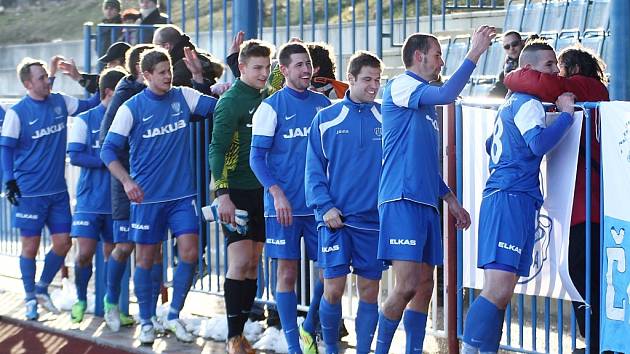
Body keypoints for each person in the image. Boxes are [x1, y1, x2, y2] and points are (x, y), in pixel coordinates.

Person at [374, 26, 495, 353]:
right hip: (401, 198)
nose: (441, 61)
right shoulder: (401, 84)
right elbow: (447, 95)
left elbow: (427, 164)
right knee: (407, 285)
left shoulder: (424, 105)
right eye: (438, 54)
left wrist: (451, 200)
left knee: (425, 286)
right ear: (419, 56)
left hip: (425, 200)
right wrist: (475, 52)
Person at [461, 39, 577, 354]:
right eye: (549, 65)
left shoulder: (514, 101)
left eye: (556, 65)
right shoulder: (527, 103)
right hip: (509, 197)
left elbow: (490, 143)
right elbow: (537, 145)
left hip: (514, 196)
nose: (555, 71)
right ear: (529, 69)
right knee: (496, 290)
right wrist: (566, 115)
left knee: (503, 291)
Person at [101, 47, 217, 344]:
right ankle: (146, 319)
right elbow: (107, 150)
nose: (167, 76)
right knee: (147, 260)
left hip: (182, 195)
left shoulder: (183, 96)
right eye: (161, 72)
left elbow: (218, 108)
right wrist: (126, 181)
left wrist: (208, 80)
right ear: (146, 75)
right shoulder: (132, 107)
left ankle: (174, 314)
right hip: (147, 199)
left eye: (169, 71)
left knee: (190, 253)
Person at [503, 45, 609, 354]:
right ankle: (597, 340)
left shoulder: (582, 88)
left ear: (573, 70)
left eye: (558, 67)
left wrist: (513, 74)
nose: (555, 74)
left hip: (583, 199)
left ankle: (596, 342)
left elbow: (540, 85)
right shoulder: (593, 90)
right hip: (586, 197)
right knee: (585, 271)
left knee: (579, 270)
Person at [0, 57, 99, 320]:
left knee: (64, 243)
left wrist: (87, 78)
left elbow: (92, 103)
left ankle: (42, 287)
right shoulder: (17, 112)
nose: (47, 81)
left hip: (57, 192)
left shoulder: (60, 101)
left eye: (47, 75)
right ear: (27, 83)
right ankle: (30, 298)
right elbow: (6, 147)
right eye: (42, 78)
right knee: (30, 248)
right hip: (29, 193)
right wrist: (9, 179)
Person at [249, 42, 331, 354]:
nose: (306, 69)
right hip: (282, 207)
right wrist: (277, 193)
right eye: (298, 65)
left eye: (308, 64)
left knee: (330, 271)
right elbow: (256, 158)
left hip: (317, 206)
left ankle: (308, 328)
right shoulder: (271, 107)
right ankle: (294, 345)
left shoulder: (323, 105)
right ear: (283, 71)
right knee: (286, 274)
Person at [305, 50, 385, 354]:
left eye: (377, 80)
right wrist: (324, 207)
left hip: (372, 222)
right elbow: (313, 169)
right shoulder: (326, 118)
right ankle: (330, 349)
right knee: (333, 288)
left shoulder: (386, 116)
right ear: (349, 79)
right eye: (367, 79)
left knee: (369, 292)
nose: (373, 86)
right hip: (335, 220)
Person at [209, 39, 274, 354]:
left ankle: (242, 333)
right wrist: (222, 195)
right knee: (239, 261)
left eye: (267, 67)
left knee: (253, 263)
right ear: (242, 68)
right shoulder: (231, 101)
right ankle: (233, 337)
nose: (264, 73)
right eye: (257, 68)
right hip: (235, 191)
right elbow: (217, 149)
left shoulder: (269, 94)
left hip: (264, 191)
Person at [68, 67, 127, 324]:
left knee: (115, 254)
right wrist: (108, 160)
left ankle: (111, 303)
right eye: (121, 92)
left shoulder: (128, 116)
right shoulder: (85, 119)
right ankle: (81, 299)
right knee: (83, 254)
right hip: (90, 201)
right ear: (108, 92)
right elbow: (75, 155)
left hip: (116, 202)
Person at [152, 24, 225, 89]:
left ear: (166, 46)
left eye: (156, 46)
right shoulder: (196, 57)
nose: (154, 50)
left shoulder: (183, 65)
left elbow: (169, 94)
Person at [56, 42, 132, 95]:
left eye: (112, 62)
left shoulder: (132, 85)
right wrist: (78, 77)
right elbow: (98, 83)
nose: (108, 66)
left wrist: (79, 77)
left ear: (126, 63)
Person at [488, 31, 523, 98]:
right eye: (507, 47)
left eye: (514, 44)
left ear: (522, 43)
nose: (511, 48)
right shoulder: (506, 68)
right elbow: (499, 88)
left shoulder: (531, 61)